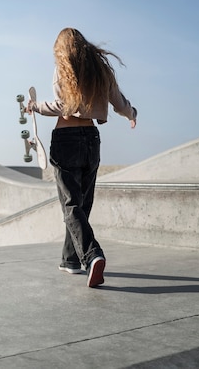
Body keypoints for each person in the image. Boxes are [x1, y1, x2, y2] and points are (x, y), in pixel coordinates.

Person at [27, 28, 137, 288]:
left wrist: (35, 107)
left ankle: (92, 255)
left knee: (71, 205)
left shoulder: (65, 68)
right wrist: (131, 113)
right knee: (81, 205)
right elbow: (119, 102)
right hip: (92, 140)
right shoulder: (100, 70)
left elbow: (63, 106)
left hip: (67, 140)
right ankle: (71, 261)